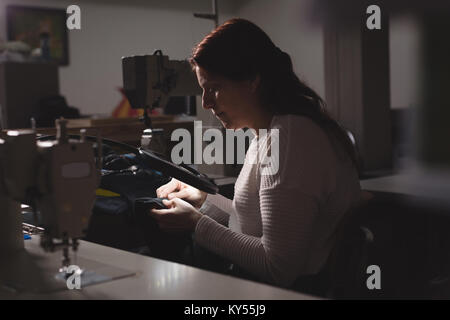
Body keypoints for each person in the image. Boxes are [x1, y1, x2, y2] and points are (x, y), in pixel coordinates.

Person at [151, 18, 362, 292]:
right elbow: (252, 222)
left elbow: (278, 268)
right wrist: (202, 198)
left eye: (214, 87)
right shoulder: (269, 131)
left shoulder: (290, 140)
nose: (206, 102)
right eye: (203, 90)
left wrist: (196, 224)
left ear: (252, 80)